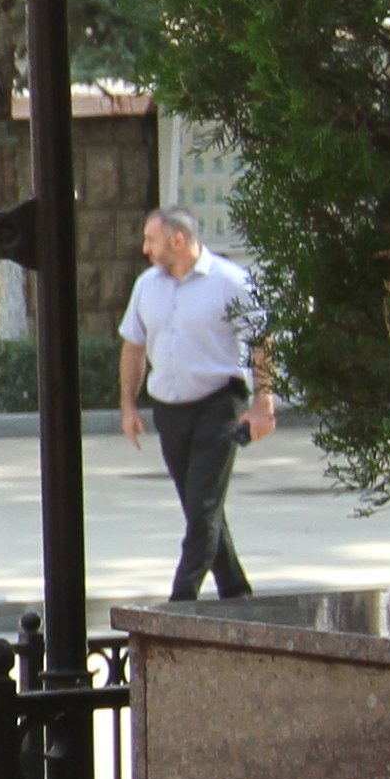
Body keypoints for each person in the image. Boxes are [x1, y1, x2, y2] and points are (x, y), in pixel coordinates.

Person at [121, 206, 278, 601]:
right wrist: (128, 404)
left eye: (151, 240)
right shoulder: (147, 286)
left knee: (204, 504)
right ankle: (236, 593)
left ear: (178, 240)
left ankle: (182, 598)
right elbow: (134, 346)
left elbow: (263, 340)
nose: (145, 249)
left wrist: (264, 403)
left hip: (218, 404)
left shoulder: (230, 281)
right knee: (197, 506)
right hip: (169, 409)